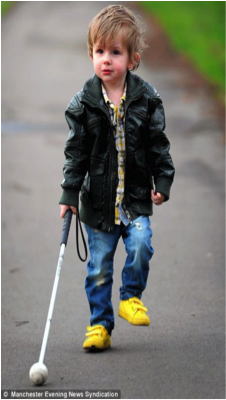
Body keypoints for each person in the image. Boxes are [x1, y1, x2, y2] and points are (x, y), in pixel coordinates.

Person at [59, 5, 175, 351]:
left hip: (136, 198)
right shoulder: (83, 104)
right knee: (98, 269)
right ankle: (99, 325)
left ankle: (130, 297)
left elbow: (158, 145)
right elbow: (75, 154)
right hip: (97, 205)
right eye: (99, 51)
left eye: (115, 52)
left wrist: (163, 181)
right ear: (91, 54)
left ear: (133, 58)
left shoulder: (147, 100)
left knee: (141, 245)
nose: (105, 60)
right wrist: (68, 195)